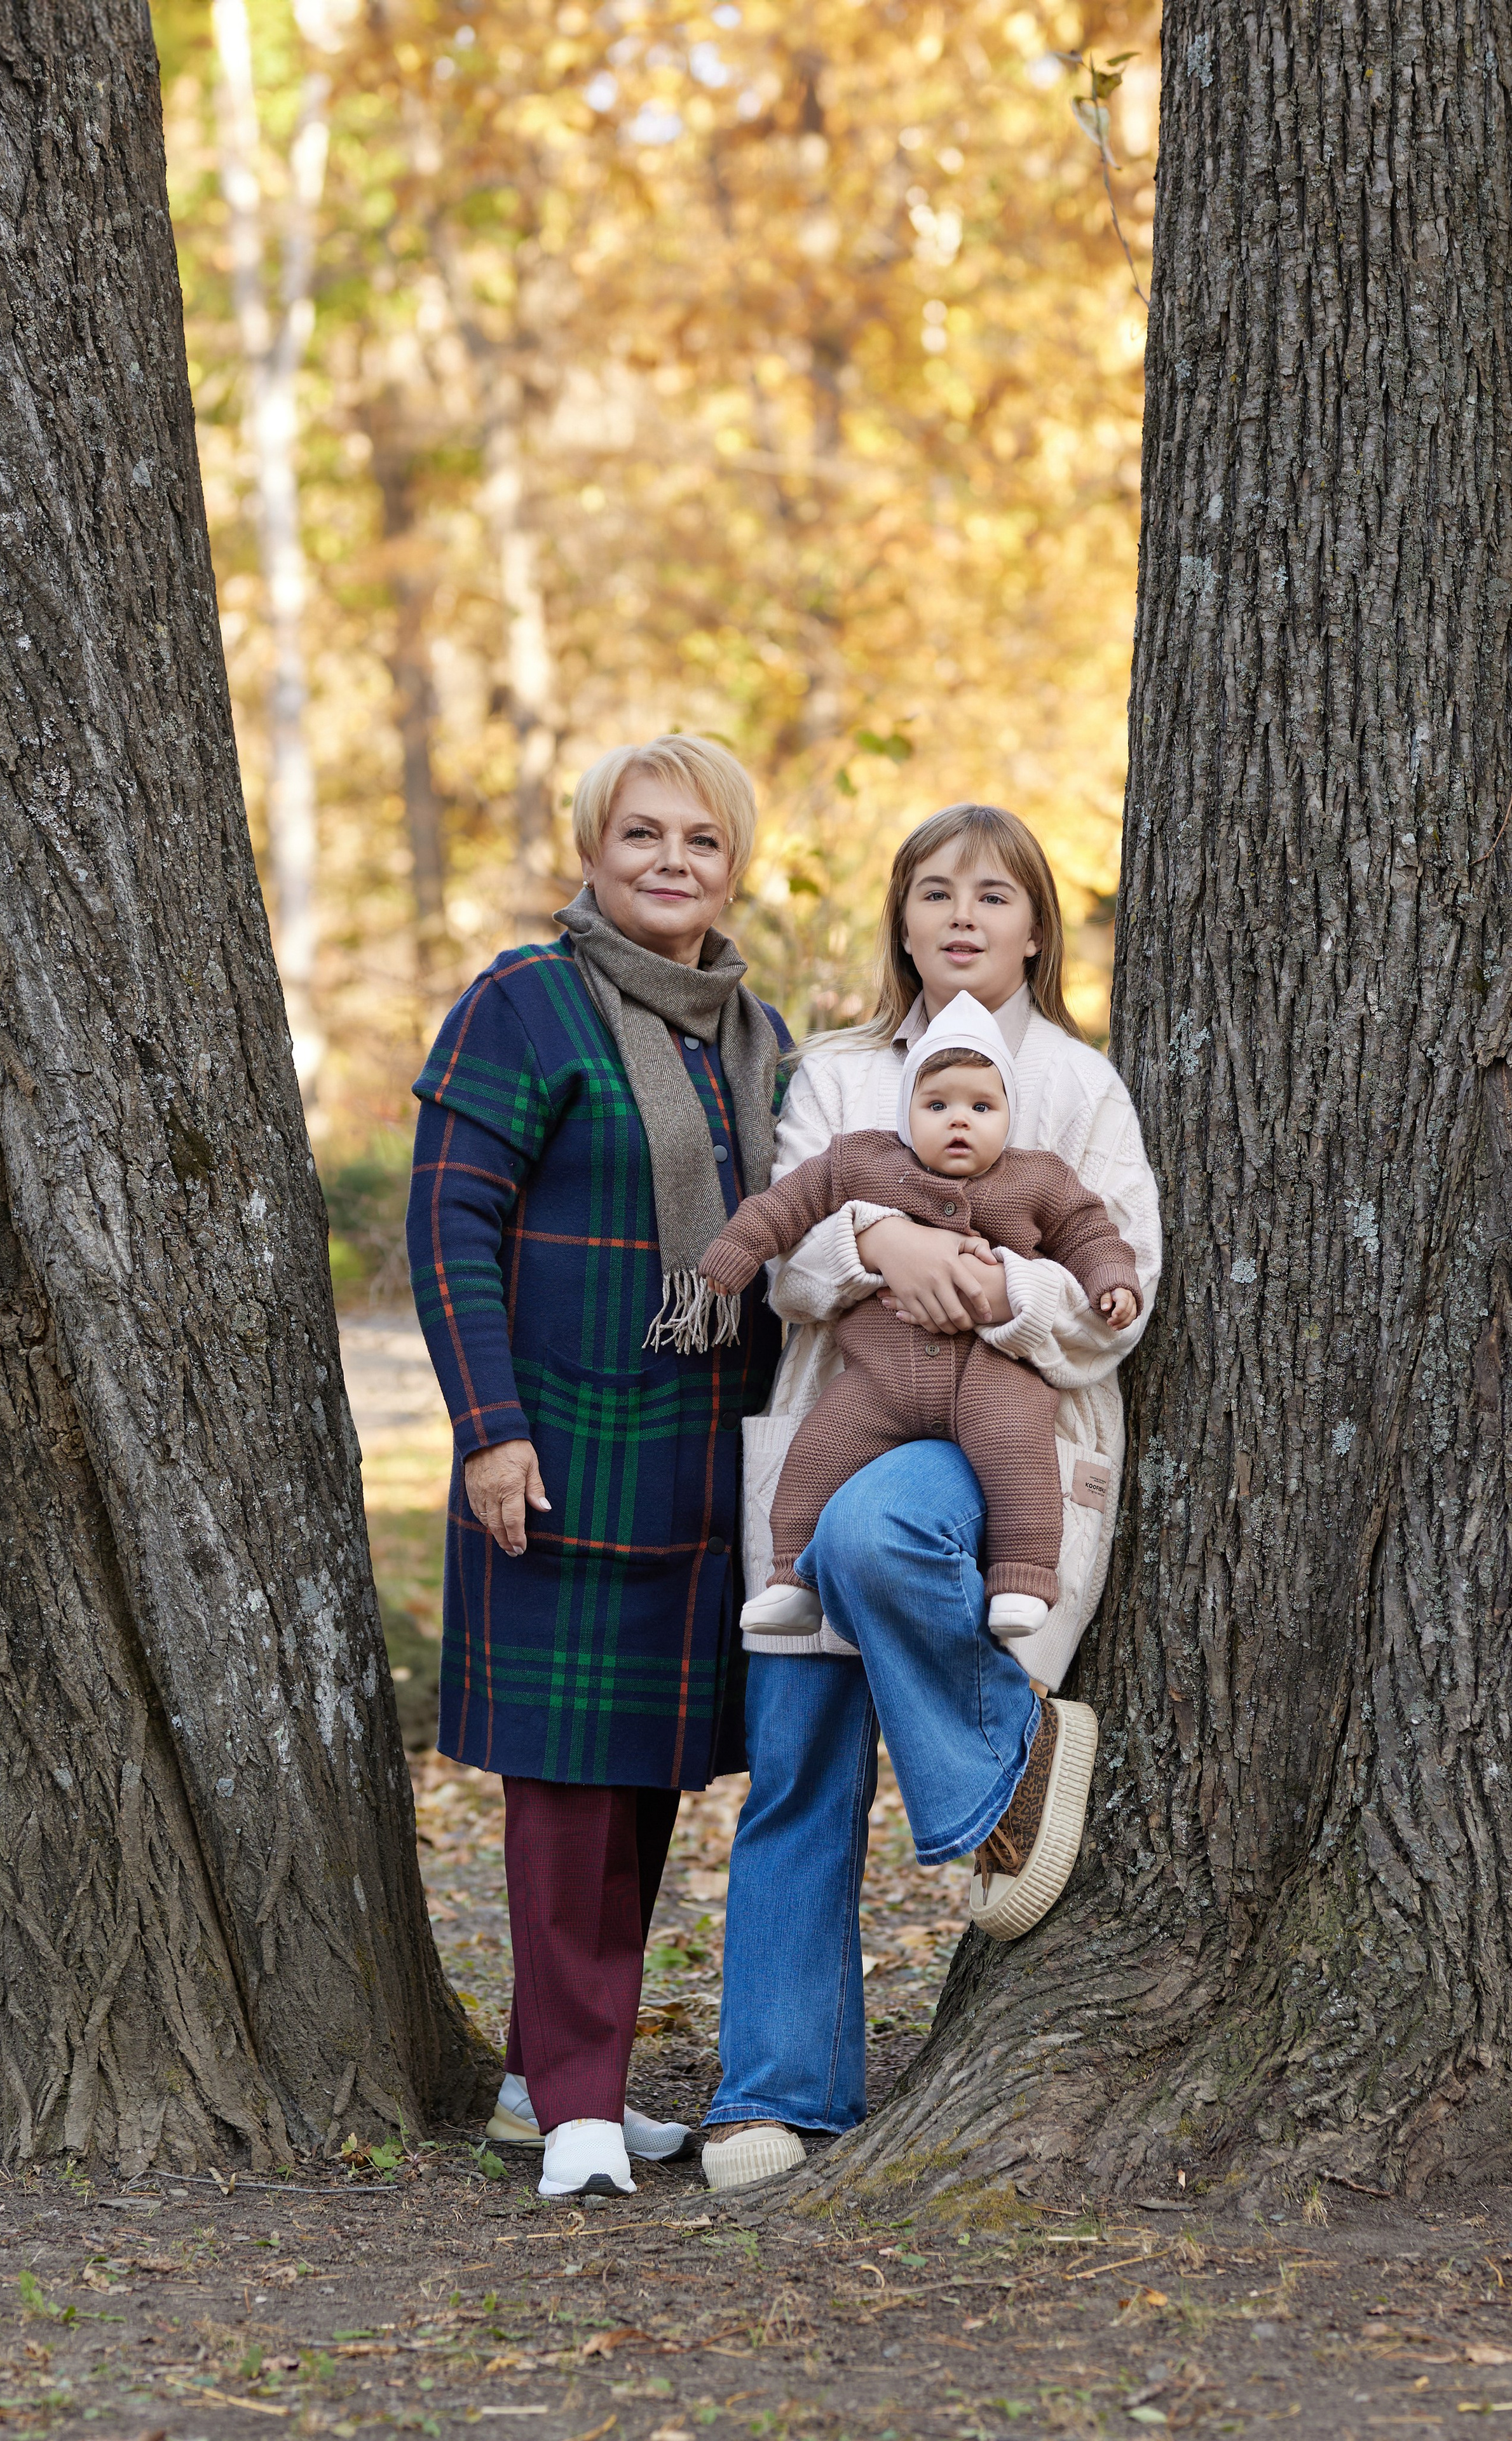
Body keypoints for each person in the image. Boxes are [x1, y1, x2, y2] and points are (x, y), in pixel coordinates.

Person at [700, 801, 1161, 2193]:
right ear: (899, 921)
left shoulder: (1078, 1087)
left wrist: (991, 1285)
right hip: (835, 1414)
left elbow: (1114, 1282)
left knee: (878, 1528)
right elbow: (786, 1257)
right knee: (795, 1758)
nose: (962, 916)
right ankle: (775, 2087)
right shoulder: (836, 1075)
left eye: (995, 896)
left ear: (1036, 928)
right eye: (934, 894)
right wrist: (881, 1238)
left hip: (994, 1441)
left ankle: (987, 1775)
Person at [406, 735, 789, 2201]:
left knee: (644, 1781)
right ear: (589, 844)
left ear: (731, 861)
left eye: (702, 837)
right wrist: (490, 1427)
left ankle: (546, 2075)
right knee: (565, 1789)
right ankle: (575, 2104)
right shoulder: (523, 1003)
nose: (671, 858)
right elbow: (448, 1229)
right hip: (562, 1451)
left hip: (705, 1474)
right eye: (641, 832)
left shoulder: (751, 1033)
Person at [698, 989, 1141, 1642]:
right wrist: (737, 1247)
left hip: (993, 1368)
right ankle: (793, 1577)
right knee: (818, 1451)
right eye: (938, 1106)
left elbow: (1089, 1233)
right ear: (906, 1112)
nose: (959, 1121)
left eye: (981, 1107)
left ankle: (1022, 1577)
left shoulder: (1037, 1178)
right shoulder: (861, 1161)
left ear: (1008, 1116)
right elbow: (784, 1206)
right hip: (879, 1375)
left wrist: (1112, 1279)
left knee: (1018, 1454)